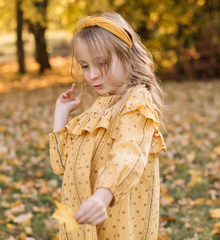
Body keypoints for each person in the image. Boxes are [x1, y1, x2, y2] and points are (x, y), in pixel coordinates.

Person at [49, 11, 167, 240]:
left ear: (126, 56)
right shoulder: (96, 111)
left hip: (116, 222)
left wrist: (102, 196)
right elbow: (61, 164)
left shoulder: (136, 101)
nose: (92, 75)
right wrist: (60, 115)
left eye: (101, 63)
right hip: (85, 226)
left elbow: (129, 154)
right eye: (84, 66)